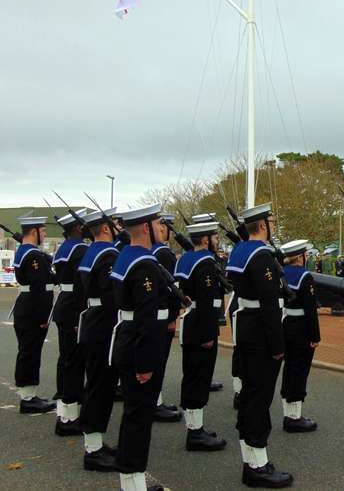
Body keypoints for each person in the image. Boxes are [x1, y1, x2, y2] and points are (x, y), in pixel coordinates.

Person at [226, 203, 293, 488]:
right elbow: (269, 304)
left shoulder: (239, 251)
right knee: (259, 399)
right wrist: (279, 345)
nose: (273, 225)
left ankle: (251, 459)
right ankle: (258, 465)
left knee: (250, 395)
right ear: (263, 225)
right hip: (261, 331)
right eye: (271, 221)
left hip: (246, 326)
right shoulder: (262, 255)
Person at [109, 203, 171, 491]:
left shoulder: (126, 256)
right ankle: (133, 483)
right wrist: (145, 363)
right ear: (146, 228)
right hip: (138, 344)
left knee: (133, 415)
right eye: (159, 224)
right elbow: (146, 317)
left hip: (125, 338)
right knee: (138, 418)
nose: (163, 229)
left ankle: (131, 478)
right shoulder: (144, 264)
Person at [174, 221, 227, 451]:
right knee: (199, 377)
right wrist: (209, 333)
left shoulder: (186, 259)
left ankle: (195, 428)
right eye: (215, 237)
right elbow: (206, 301)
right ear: (205, 239)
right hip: (201, 324)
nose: (217, 241)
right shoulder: (205, 263)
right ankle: (195, 433)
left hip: (190, 319)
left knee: (192, 374)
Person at [77, 208, 121, 472]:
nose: (118, 226)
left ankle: (95, 444)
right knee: (99, 387)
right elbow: (112, 296)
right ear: (105, 228)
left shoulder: (91, 251)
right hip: (103, 323)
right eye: (114, 223)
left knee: (98, 385)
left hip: (93, 319)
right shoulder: (107, 254)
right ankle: (93, 450)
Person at [11, 215, 57, 414]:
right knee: (30, 352)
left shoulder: (24, 251)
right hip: (32, 310)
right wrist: (43, 317)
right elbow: (40, 288)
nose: (45, 234)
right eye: (43, 230)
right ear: (34, 232)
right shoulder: (33, 256)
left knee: (27, 351)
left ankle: (28, 395)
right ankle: (28, 399)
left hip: (25, 307)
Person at [51, 209, 89, 436]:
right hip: (74, 306)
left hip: (64, 303)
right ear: (77, 228)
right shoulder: (80, 249)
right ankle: (68, 418)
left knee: (67, 359)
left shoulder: (64, 248)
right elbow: (82, 284)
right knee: (74, 363)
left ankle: (65, 410)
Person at [279, 239, 321, 432]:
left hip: (286, 323)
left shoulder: (281, 273)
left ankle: (288, 412)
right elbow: (311, 309)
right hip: (302, 328)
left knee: (289, 368)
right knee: (299, 370)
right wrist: (315, 336)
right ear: (301, 256)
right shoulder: (305, 276)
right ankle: (294, 417)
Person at [149, 214, 183, 423]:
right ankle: (155, 402)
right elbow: (170, 290)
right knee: (158, 360)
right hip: (162, 316)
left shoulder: (151, 252)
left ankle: (156, 399)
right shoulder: (164, 254)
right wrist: (173, 317)